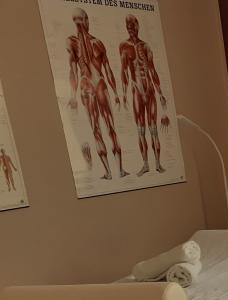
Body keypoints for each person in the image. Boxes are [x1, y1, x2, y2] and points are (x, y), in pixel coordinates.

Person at [67, 8, 128, 181]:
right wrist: (72, 95)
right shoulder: (78, 42)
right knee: (102, 128)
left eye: (80, 19)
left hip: (94, 85)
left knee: (104, 128)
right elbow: (74, 70)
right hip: (92, 85)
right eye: (76, 20)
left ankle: (115, 171)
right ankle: (113, 171)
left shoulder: (92, 43)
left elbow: (105, 69)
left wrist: (116, 93)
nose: (79, 23)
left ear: (86, 20)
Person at [120, 14, 170, 176]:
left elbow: (153, 70)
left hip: (150, 90)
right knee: (140, 130)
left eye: (133, 25)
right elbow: (124, 71)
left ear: (138, 26)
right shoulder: (124, 46)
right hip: (136, 92)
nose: (131, 28)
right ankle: (146, 164)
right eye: (128, 26)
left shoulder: (146, 47)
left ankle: (158, 164)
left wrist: (160, 93)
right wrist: (124, 93)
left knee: (153, 129)